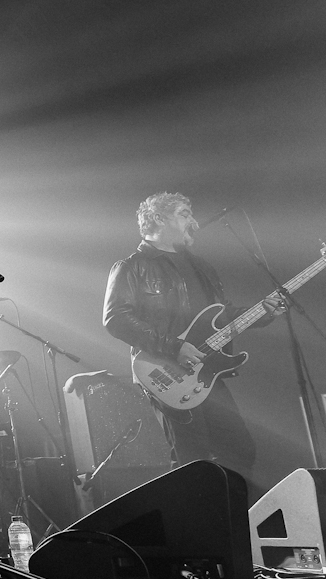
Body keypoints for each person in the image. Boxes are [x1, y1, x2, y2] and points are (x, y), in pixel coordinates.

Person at [103, 192, 284, 475]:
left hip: (207, 370)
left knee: (240, 449)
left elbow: (222, 316)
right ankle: (198, 517)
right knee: (192, 457)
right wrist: (174, 347)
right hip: (166, 372)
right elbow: (116, 319)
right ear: (159, 219)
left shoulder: (201, 267)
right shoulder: (132, 266)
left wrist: (264, 312)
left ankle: (231, 517)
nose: (194, 222)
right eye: (184, 214)